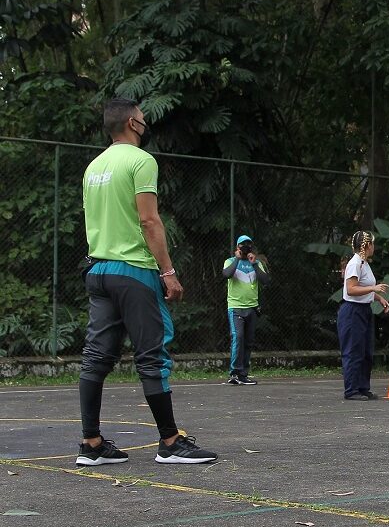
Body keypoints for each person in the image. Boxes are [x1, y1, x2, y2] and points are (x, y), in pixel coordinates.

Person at [77, 98, 217, 466]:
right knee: (152, 356)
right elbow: (149, 221)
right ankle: (170, 442)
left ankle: (91, 444)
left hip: (98, 271)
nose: (145, 123)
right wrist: (168, 272)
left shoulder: (94, 167)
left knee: (95, 359)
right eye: (142, 118)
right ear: (133, 124)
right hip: (134, 272)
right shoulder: (141, 161)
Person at [338, 231, 389, 401]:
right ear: (367, 246)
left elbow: (365, 287)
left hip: (364, 310)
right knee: (353, 351)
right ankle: (351, 390)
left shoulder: (365, 264)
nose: (374, 247)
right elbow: (351, 289)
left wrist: (379, 298)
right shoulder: (355, 264)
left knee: (365, 351)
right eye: (372, 244)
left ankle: (363, 387)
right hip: (352, 311)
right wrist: (373, 289)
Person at [222, 234, 271, 385]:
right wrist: (237, 259)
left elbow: (265, 280)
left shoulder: (256, 263)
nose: (245, 248)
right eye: (242, 245)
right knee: (238, 337)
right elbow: (226, 274)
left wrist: (254, 263)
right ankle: (234, 373)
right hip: (236, 307)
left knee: (248, 342)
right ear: (237, 247)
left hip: (252, 308)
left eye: (248, 245)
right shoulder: (230, 261)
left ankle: (243, 374)